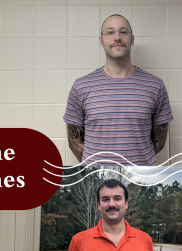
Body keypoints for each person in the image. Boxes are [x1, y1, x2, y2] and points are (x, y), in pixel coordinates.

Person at [64, 14, 173, 166]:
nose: (117, 37)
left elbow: (159, 140)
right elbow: (74, 141)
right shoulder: (81, 87)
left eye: (123, 32)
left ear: (132, 39)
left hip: (142, 180)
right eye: (110, 32)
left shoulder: (155, 86)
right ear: (101, 41)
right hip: (96, 179)